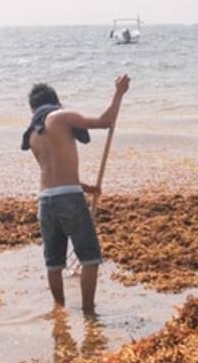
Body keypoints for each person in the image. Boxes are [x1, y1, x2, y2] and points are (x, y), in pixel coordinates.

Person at [22, 75, 129, 315]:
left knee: (54, 263)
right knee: (90, 258)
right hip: (68, 198)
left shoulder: (32, 134)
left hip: (45, 201)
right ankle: (89, 312)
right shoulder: (60, 116)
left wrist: (87, 187)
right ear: (55, 102)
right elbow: (105, 121)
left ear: (32, 108)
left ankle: (59, 310)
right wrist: (119, 93)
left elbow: (52, 171)